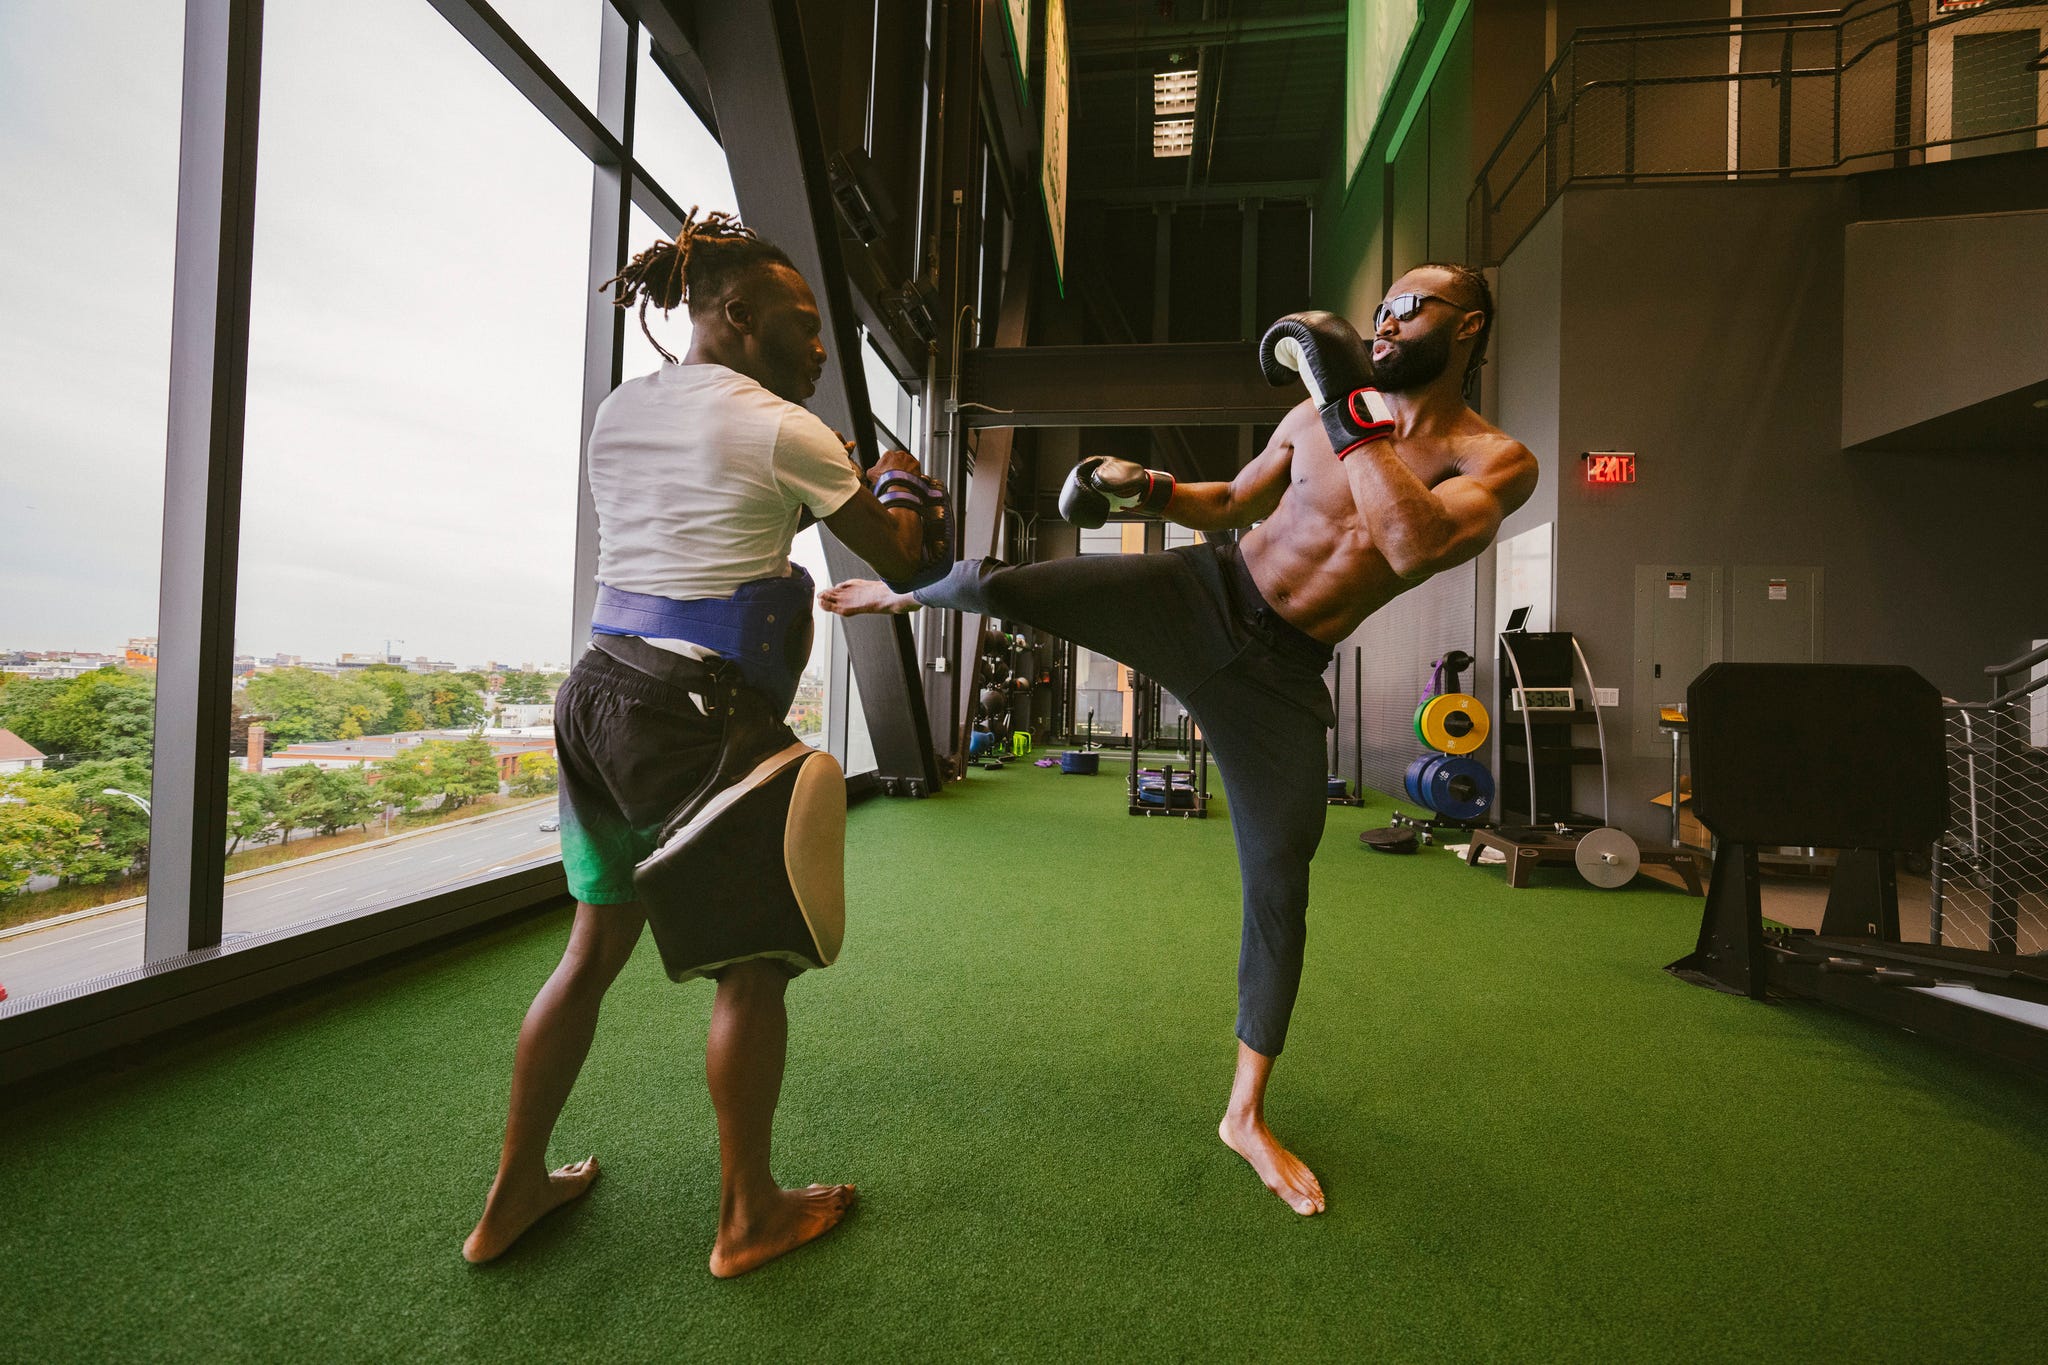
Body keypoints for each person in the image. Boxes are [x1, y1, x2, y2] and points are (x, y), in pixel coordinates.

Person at [823, 263, 1537, 1215]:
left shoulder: (1493, 460)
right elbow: (1235, 502)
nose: (1387, 321)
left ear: (1470, 326)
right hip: (1205, 593)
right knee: (1005, 583)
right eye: (1382, 308)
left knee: (1282, 877)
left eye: (1412, 308)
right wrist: (1144, 485)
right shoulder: (1319, 414)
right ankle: (896, 594)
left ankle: (1245, 1113)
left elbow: (1408, 543)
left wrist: (1344, 412)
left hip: (1281, 677)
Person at [464, 211, 930, 1275]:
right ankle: (746, 1215)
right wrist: (907, 500)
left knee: (589, 953)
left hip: (596, 696)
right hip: (692, 714)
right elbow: (896, 556)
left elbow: (713, 519)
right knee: (754, 965)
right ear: (733, 314)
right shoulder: (780, 427)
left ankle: (510, 1198)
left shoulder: (622, 409)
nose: (820, 349)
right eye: (805, 327)